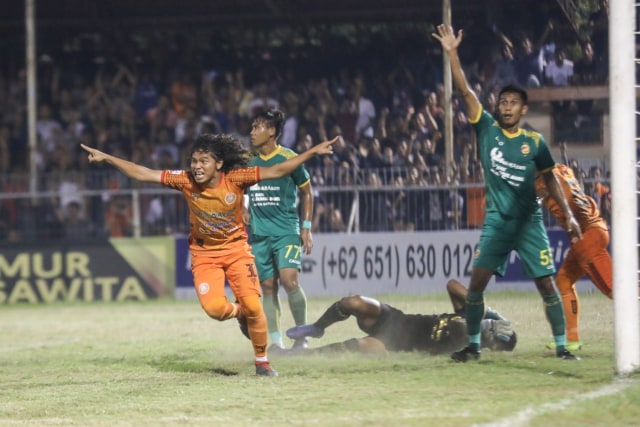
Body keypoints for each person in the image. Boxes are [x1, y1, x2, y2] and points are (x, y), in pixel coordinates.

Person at [80, 133, 337, 376]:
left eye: (204, 161)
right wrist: (108, 158)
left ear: (219, 164)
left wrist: (311, 152)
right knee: (215, 309)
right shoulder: (186, 180)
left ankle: (262, 363)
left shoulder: (236, 178)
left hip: (237, 251)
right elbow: (143, 173)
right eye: (194, 161)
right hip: (204, 255)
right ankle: (241, 313)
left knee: (255, 306)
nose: (198, 166)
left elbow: (279, 170)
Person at [432, 24, 583, 362]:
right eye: (502, 101)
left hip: (529, 223)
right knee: (475, 287)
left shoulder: (535, 143)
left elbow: (553, 180)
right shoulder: (486, 129)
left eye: (513, 103)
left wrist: (570, 215)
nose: (506, 106)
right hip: (498, 223)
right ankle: (473, 346)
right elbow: (466, 92)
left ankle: (562, 347)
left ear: (523, 110)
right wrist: (452, 54)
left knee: (546, 285)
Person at [285, 279, 517, 356]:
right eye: (493, 325)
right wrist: (487, 310)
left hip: (398, 344)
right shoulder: (467, 314)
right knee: (352, 302)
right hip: (397, 320)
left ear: (492, 343)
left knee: (361, 348)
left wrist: (482, 344)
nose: (489, 326)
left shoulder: (465, 348)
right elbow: (453, 285)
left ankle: (301, 355)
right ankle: (317, 328)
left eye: (492, 330)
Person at [245, 109, 314, 351]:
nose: (252, 132)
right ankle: (276, 342)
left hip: (286, 231)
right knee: (267, 287)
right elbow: (241, 190)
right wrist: (243, 206)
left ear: (271, 131)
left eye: (257, 127)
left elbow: (307, 192)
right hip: (259, 235)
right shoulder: (248, 160)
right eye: (252, 127)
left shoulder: (288, 157)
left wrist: (306, 228)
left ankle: (302, 336)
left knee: (289, 281)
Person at [535, 154, 612, 351]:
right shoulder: (563, 169)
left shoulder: (542, 182)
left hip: (586, 237)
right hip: (595, 227)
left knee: (616, 291)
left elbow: (540, 196)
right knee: (563, 280)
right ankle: (572, 338)